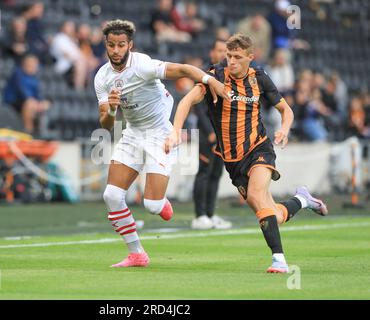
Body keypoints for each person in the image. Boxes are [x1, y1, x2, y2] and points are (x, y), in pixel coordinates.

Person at [164, 33, 328, 273]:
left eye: (237, 57)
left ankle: (279, 260)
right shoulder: (215, 77)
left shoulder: (259, 78)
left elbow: (286, 110)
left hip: (259, 148)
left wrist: (284, 129)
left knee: (255, 195)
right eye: (229, 56)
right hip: (232, 160)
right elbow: (187, 101)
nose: (231, 61)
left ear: (251, 57)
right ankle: (303, 200)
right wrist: (176, 131)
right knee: (273, 214)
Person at [94, 19, 228, 268]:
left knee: (153, 206)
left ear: (129, 46)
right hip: (132, 133)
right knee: (111, 195)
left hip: (160, 133)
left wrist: (211, 82)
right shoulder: (102, 77)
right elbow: (106, 125)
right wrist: (112, 110)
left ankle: (160, 202)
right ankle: (137, 254)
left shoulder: (143, 65)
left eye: (121, 45)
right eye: (111, 45)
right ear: (106, 45)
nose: (115, 50)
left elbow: (186, 69)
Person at [192, 39, 232, 230]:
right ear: (212, 53)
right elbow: (199, 108)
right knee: (204, 173)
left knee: (216, 173)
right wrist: (209, 132)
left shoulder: (229, 77)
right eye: (219, 50)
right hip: (207, 134)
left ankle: (210, 214)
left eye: (226, 51)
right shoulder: (203, 76)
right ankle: (199, 216)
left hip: (222, 134)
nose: (223, 54)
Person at [3, 54, 51, 134]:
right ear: (26, 64)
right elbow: (22, 92)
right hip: (14, 101)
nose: (35, 66)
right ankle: (28, 130)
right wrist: (34, 102)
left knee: (45, 104)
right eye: (32, 64)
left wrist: (41, 103)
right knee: (29, 103)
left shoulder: (34, 77)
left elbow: (38, 94)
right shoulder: (18, 74)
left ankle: (42, 130)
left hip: (31, 102)